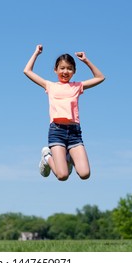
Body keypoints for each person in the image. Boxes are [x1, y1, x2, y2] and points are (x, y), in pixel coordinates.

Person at [23, 45, 105, 181]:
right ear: (55, 70)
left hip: (74, 133)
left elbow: (100, 77)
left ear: (74, 71)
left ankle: (68, 157)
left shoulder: (77, 86)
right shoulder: (50, 85)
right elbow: (27, 71)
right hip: (57, 131)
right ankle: (47, 157)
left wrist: (86, 60)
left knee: (85, 174)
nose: (65, 71)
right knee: (62, 176)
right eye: (62, 68)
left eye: (69, 68)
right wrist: (36, 53)